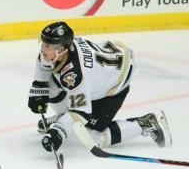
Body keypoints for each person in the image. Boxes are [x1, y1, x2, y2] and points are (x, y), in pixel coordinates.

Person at [27, 21, 172, 153]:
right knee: (50, 85)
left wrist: (60, 130)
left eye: (47, 46)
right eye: (43, 43)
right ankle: (62, 117)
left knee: (93, 136)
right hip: (108, 60)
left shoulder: (77, 74)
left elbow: (80, 112)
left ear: (61, 49)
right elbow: (44, 64)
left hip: (115, 83)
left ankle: (146, 124)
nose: (42, 48)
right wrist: (38, 86)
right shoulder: (60, 52)